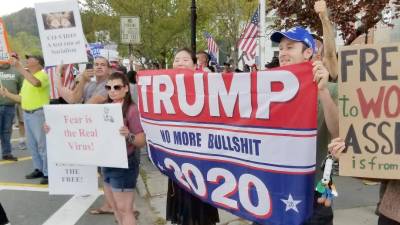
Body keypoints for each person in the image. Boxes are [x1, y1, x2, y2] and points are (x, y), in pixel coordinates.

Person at [252, 26, 338, 225]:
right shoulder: (266, 89)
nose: (282, 53)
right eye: (280, 48)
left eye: (290, 47)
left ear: (308, 52)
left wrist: (323, 91)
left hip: (317, 189)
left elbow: (338, 132)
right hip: (270, 188)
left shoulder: (330, 88)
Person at [166, 48, 220, 225]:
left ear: (195, 64)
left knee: (199, 212)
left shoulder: (207, 86)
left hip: (200, 161)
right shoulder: (164, 89)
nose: (180, 62)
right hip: (176, 161)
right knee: (182, 211)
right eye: (176, 59)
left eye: (185, 59)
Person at [1, 54, 50, 184]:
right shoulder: (26, 79)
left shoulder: (42, 75)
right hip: (28, 113)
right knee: (32, 145)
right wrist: (6, 94)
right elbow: (21, 98)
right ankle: (38, 168)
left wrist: (19, 68)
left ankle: (47, 172)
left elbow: (36, 83)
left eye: (30, 58)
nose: (27, 60)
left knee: (42, 145)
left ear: (39, 63)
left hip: (38, 113)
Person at [0, 53, 23, 161]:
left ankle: (7, 153)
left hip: (10, 106)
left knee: (7, 130)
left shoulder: (16, 72)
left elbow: (21, 89)